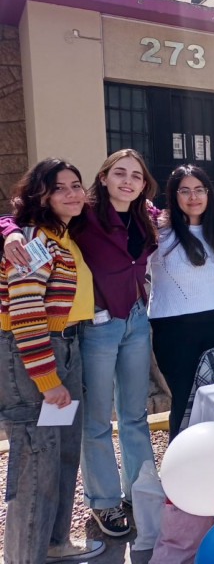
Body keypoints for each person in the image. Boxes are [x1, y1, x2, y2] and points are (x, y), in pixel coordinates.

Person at [3, 148, 158, 537]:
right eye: (119, 173)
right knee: (96, 419)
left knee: (135, 414)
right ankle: (104, 503)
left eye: (136, 176)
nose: (128, 181)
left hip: (136, 320)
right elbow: (20, 216)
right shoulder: (82, 213)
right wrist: (8, 232)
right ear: (103, 178)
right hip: (98, 325)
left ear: (144, 184)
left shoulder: (145, 215)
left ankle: (141, 492)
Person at [0, 158, 105, 562]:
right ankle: (26, 556)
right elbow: (26, 318)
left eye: (76, 185)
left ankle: (54, 543)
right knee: (35, 463)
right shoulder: (32, 243)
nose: (72, 194)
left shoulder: (63, 235)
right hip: (35, 357)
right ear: (38, 195)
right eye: (59, 187)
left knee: (62, 454)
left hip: (67, 348)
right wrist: (48, 380)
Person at [148, 165, 214, 439]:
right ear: (173, 196)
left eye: (199, 190)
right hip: (174, 330)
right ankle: (181, 466)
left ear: (208, 194)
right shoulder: (158, 234)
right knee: (185, 400)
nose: (193, 197)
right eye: (184, 190)